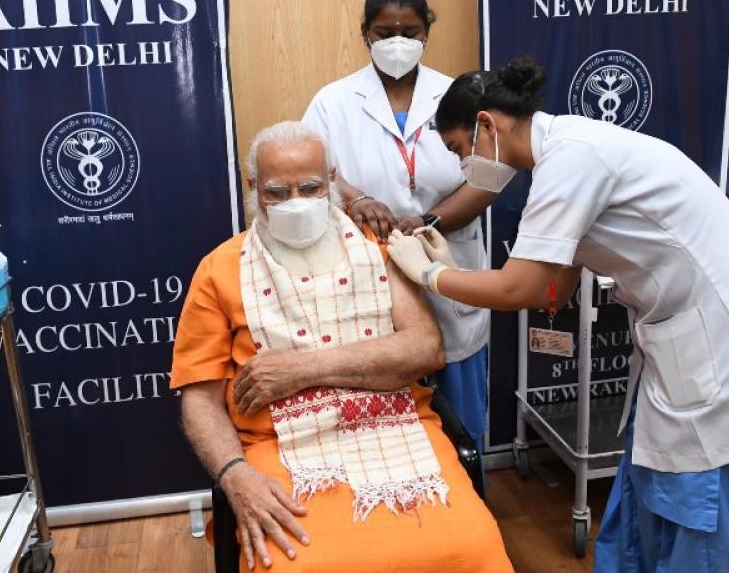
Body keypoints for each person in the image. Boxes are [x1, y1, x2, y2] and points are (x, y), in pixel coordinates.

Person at [387, 58, 729, 571]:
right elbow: (554, 286)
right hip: (686, 340)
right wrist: (451, 265)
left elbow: (522, 286)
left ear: (486, 125)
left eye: (460, 150)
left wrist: (432, 277)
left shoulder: (574, 159)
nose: (463, 167)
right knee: (646, 499)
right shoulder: (564, 155)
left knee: (696, 520)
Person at [170, 121, 512, 573]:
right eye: (277, 192)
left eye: (311, 187)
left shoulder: (375, 247)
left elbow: (425, 350)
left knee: (474, 549)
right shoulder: (219, 269)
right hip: (280, 447)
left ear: (332, 180)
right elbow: (199, 399)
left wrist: (301, 369)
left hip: (396, 426)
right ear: (253, 189)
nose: (297, 203)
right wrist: (235, 475)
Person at [302, 0, 495, 465]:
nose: (397, 42)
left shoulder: (457, 94)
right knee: (384, 414)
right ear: (365, 32)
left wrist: (428, 220)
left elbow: (490, 179)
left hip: (448, 262)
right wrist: (358, 198)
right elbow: (313, 172)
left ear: (427, 30)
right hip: (370, 270)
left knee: (462, 419)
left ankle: (471, 520)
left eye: (409, 31)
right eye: (385, 31)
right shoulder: (333, 102)